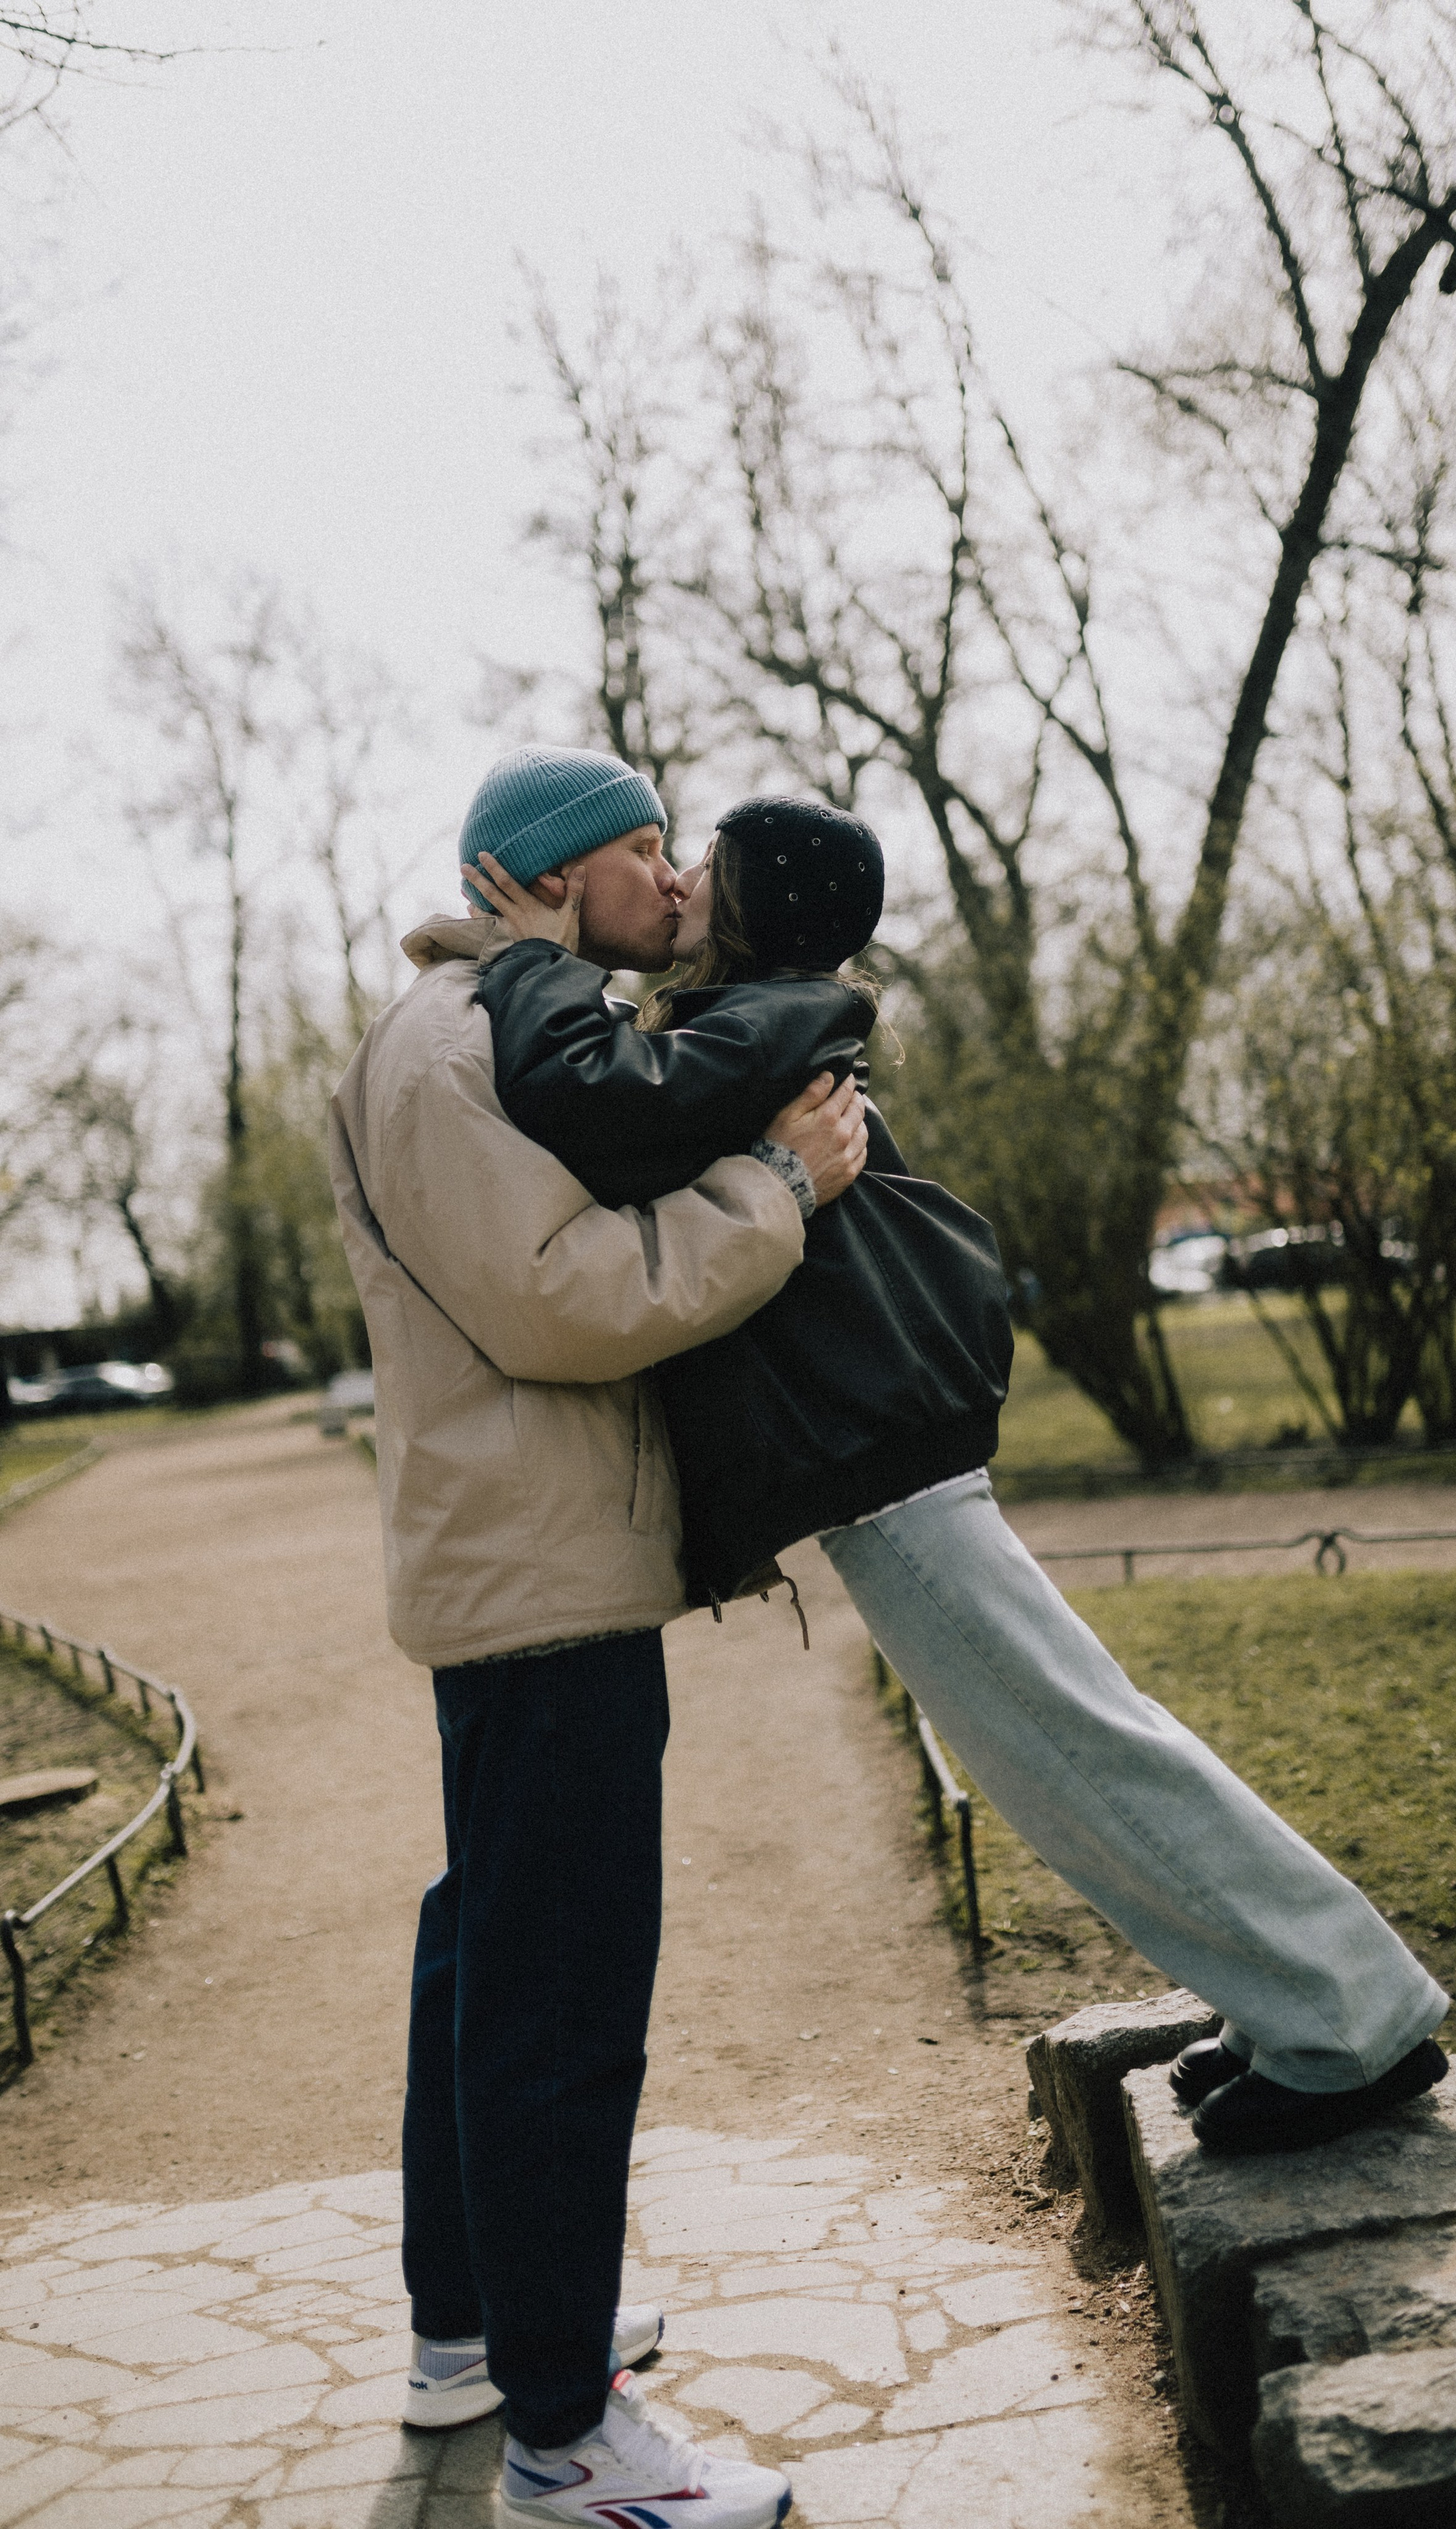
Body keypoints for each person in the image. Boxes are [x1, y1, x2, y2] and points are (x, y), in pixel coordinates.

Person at [466, 794, 1453, 2172]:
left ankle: (1352, 2023)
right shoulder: (757, 1016)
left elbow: (586, 1108)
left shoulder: (765, 1020)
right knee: (1058, 1744)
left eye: (702, 862)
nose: (677, 877)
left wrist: (524, 960)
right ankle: (1292, 2001)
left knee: (1068, 1748)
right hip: (886, 1461)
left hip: (889, 1466)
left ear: (751, 899)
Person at [329, 747, 862, 2529]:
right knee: (559, 2005)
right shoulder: (446, 1049)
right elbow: (561, 1302)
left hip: (528, 1570)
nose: (677, 886)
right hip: (543, 1585)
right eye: (648, 853)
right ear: (546, 876)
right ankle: (569, 2442)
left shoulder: (492, 1032)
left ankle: (475, 2334)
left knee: (487, 1961)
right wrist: (776, 1196)